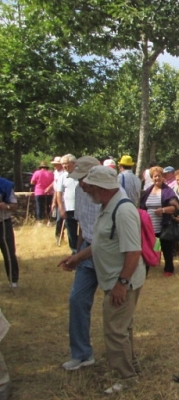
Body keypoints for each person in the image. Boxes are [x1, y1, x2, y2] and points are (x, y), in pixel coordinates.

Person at [61, 166, 146, 394]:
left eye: (90, 187)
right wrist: (78, 258)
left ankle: (125, 378)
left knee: (114, 330)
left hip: (121, 280)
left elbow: (133, 252)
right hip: (114, 278)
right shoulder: (108, 206)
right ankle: (131, 368)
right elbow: (101, 242)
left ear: (102, 188)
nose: (86, 190)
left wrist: (122, 284)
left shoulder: (123, 210)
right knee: (121, 327)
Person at [57, 156, 101, 371]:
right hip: (86, 252)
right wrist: (78, 251)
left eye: (83, 178)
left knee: (115, 309)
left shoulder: (110, 195)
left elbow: (107, 239)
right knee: (77, 300)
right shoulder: (78, 191)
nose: (80, 183)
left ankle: (123, 358)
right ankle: (82, 354)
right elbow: (83, 226)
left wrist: (78, 257)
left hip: (108, 255)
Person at [140, 166, 179, 277]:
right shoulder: (148, 191)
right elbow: (142, 207)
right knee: (149, 248)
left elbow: (176, 207)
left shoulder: (167, 191)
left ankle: (169, 269)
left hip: (164, 226)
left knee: (166, 248)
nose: (157, 178)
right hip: (149, 227)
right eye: (155, 176)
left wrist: (163, 210)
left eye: (159, 176)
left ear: (163, 177)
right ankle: (145, 270)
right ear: (152, 178)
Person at [56, 154, 79, 254]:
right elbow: (58, 194)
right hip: (69, 208)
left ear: (73, 163)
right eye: (63, 164)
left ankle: (83, 250)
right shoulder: (62, 177)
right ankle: (74, 251)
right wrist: (61, 208)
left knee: (85, 231)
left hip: (81, 208)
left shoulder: (81, 175)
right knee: (71, 232)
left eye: (66, 163)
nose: (64, 166)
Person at [0, 177, 19, 288]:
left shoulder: (5, 185)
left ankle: (13, 281)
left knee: (9, 252)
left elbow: (14, 205)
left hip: (3, 223)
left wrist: (5, 206)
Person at [30, 161, 55, 225]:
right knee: (49, 207)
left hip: (39, 192)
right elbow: (54, 183)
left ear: (40, 167)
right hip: (49, 192)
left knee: (39, 207)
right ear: (47, 167)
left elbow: (32, 182)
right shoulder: (51, 173)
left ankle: (40, 221)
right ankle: (49, 221)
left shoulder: (36, 173)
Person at [50, 156, 65, 242]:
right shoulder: (56, 172)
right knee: (58, 219)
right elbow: (56, 188)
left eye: (56, 164)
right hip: (58, 197)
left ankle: (60, 236)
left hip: (64, 198)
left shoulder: (64, 173)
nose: (55, 166)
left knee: (62, 219)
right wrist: (54, 201)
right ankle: (59, 236)